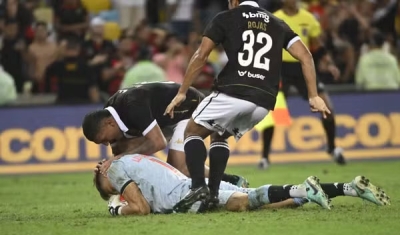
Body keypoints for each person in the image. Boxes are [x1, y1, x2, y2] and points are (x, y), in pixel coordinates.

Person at [164, 0, 331, 212]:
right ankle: (213, 194)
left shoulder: (225, 18)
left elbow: (201, 56)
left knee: (192, 131)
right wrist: (313, 95)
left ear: (234, 1)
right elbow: (305, 55)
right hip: (264, 101)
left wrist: (181, 92)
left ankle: (198, 187)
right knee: (220, 135)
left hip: (234, 90)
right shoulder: (277, 22)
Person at [94, 154, 390, 216]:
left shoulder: (118, 169)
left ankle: (303, 191)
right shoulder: (135, 159)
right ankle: (349, 187)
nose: (119, 191)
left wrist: (117, 211)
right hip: (191, 185)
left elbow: (142, 209)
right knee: (255, 199)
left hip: (185, 197)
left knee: (241, 203)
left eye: (113, 188)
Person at [82, 82, 248, 187]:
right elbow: (119, 154)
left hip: (190, 110)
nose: (107, 143)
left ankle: (230, 182)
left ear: (109, 123)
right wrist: (105, 171)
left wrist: (117, 159)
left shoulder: (133, 106)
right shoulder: (110, 111)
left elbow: (158, 143)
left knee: (179, 167)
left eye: (104, 140)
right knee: (124, 150)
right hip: (165, 118)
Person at [260, 0, 346, 169]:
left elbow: (316, 45)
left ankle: (332, 147)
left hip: (302, 67)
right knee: (271, 111)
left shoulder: (308, 18)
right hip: (280, 69)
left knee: (325, 105)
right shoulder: (274, 18)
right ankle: (264, 157)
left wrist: (328, 64)